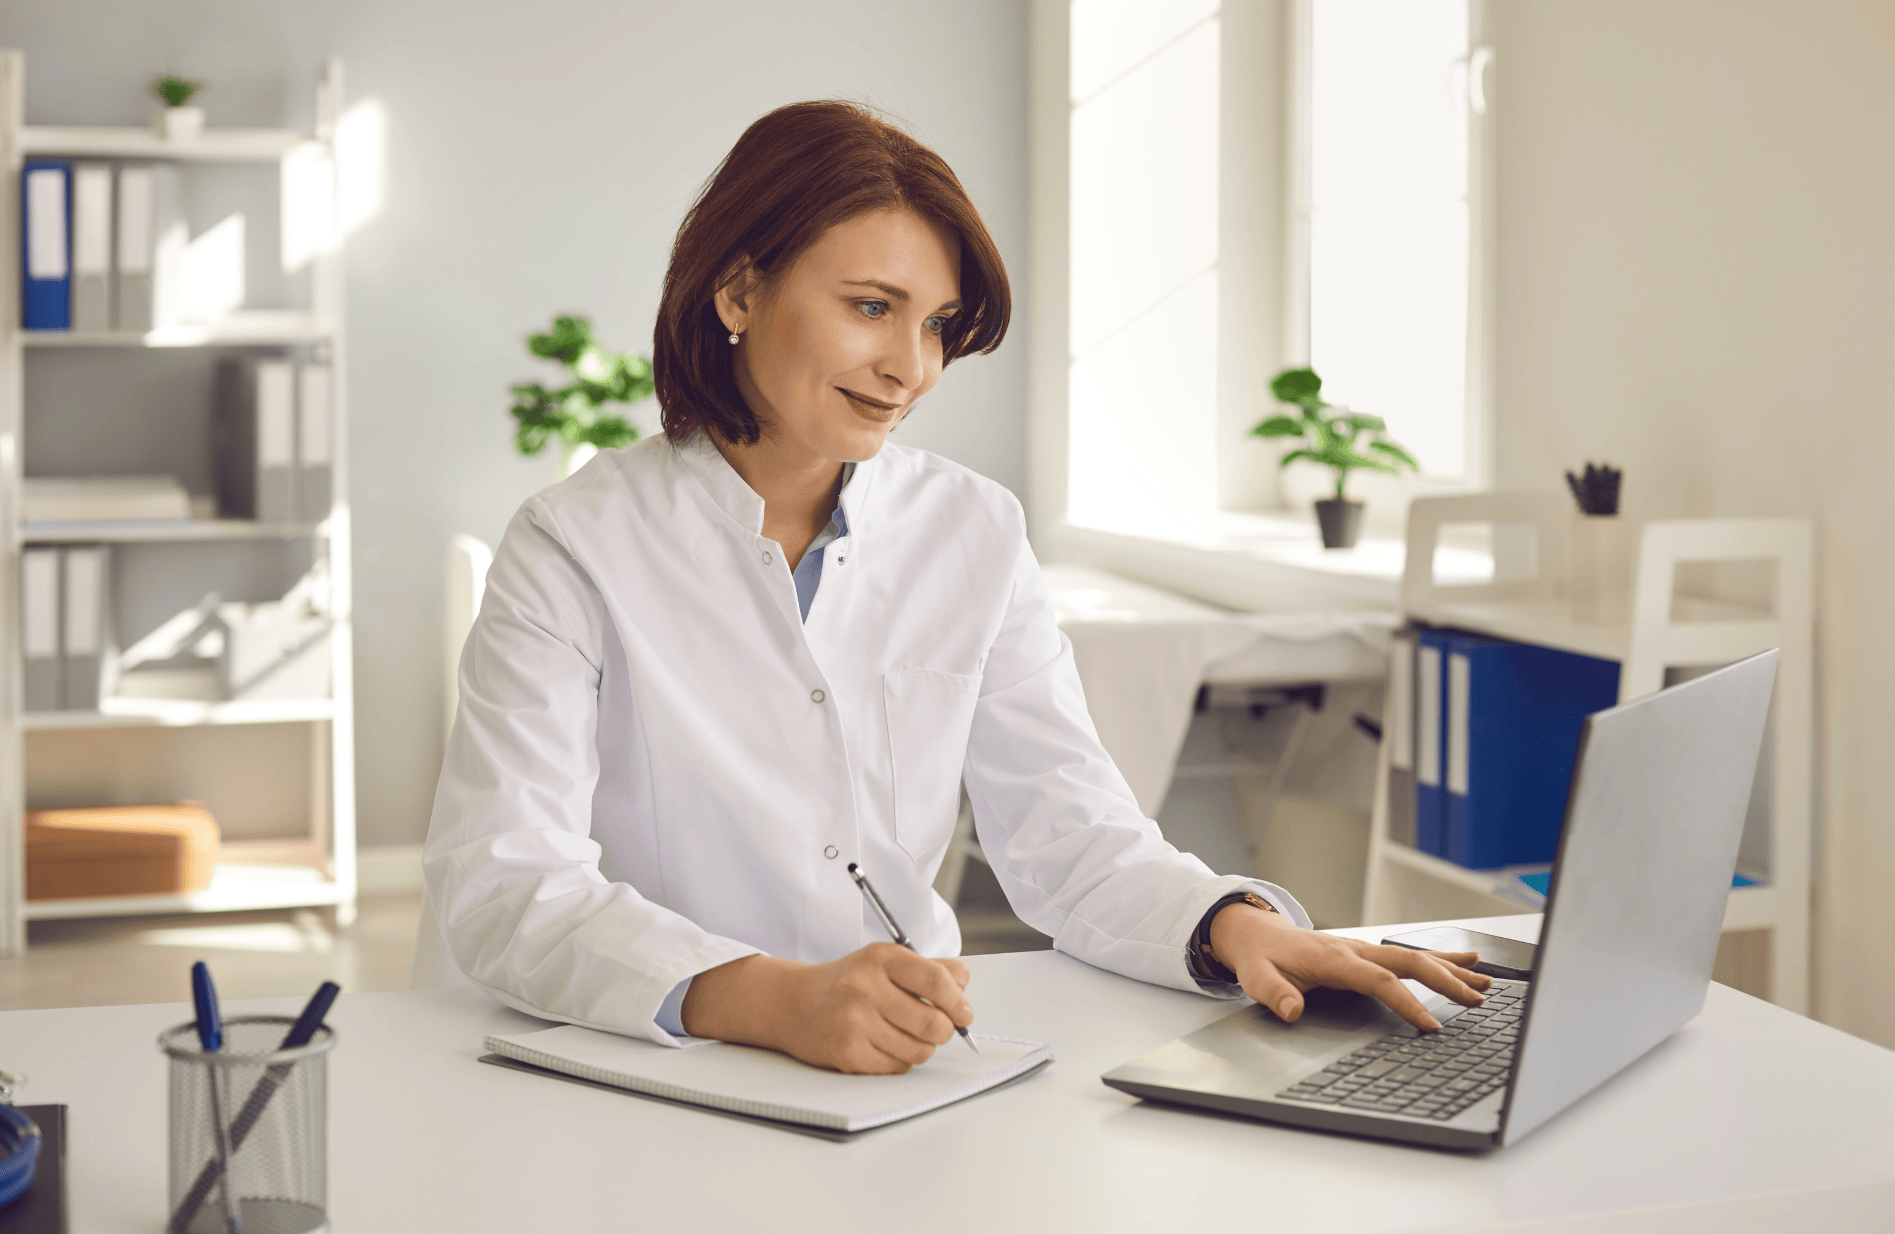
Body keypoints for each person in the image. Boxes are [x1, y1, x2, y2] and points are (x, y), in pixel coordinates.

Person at [423, 100, 1489, 1075]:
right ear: (739, 290)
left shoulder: (974, 529)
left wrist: (1232, 923)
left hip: (913, 1068)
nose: (911, 367)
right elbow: (507, 884)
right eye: (872, 306)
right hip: (652, 1072)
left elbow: (1071, 835)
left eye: (935, 323)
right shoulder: (573, 544)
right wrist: (772, 999)